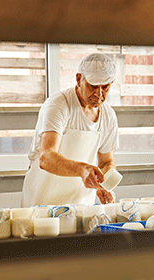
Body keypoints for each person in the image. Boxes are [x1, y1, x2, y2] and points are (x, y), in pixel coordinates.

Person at [21, 53, 119, 207]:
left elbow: (107, 162)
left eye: (105, 87)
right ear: (79, 79)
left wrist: (103, 185)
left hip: (81, 203)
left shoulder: (108, 115)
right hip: (43, 201)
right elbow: (46, 158)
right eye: (93, 86)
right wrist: (82, 169)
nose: (99, 94)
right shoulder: (59, 105)